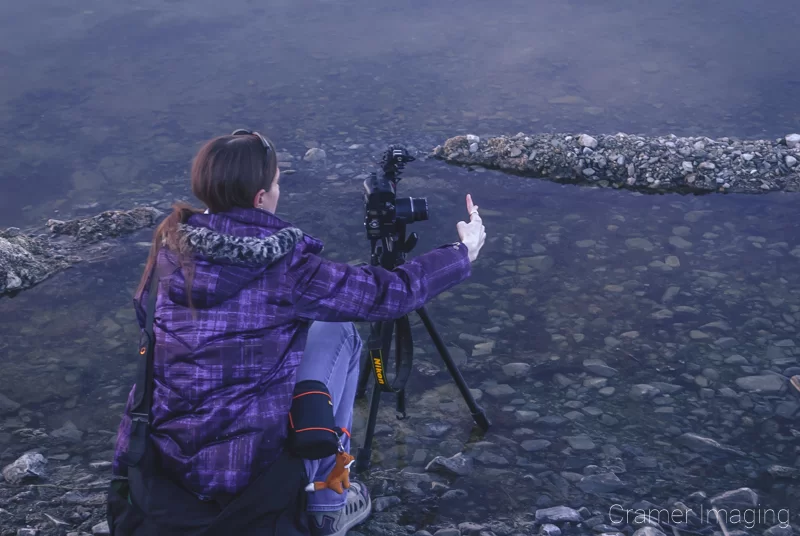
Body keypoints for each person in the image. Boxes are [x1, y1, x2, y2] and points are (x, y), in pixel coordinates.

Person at [108, 129, 487, 536]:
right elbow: (387, 294)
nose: (276, 191)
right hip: (250, 473)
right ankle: (327, 501)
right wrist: (462, 252)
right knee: (337, 330)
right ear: (259, 198)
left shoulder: (168, 251)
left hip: (165, 464)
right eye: (275, 184)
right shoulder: (283, 264)